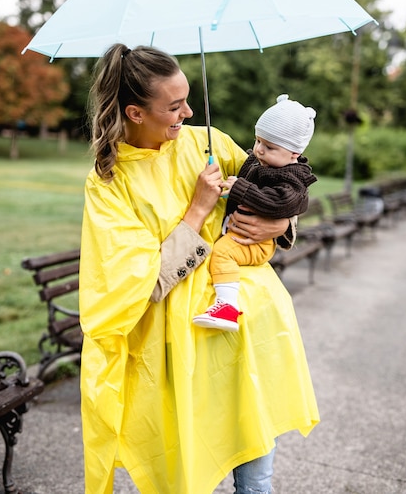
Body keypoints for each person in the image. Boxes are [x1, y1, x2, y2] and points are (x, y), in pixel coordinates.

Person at [79, 43, 319, 494]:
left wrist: (282, 220)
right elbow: (139, 284)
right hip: (179, 350)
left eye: (188, 98)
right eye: (174, 106)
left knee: (255, 469)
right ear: (134, 112)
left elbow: (280, 183)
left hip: (246, 327)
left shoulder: (205, 141)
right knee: (190, 465)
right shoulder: (110, 183)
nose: (188, 112)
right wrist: (198, 210)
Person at [193, 94, 317, 332]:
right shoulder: (261, 162)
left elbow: (281, 202)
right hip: (246, 233)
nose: (258, 150)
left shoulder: (291, 177)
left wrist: (241, 188)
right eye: (258, 140)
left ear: (294, 153)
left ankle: (227, 307)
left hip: (259, 243)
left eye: (269, 146)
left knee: (222, 253)